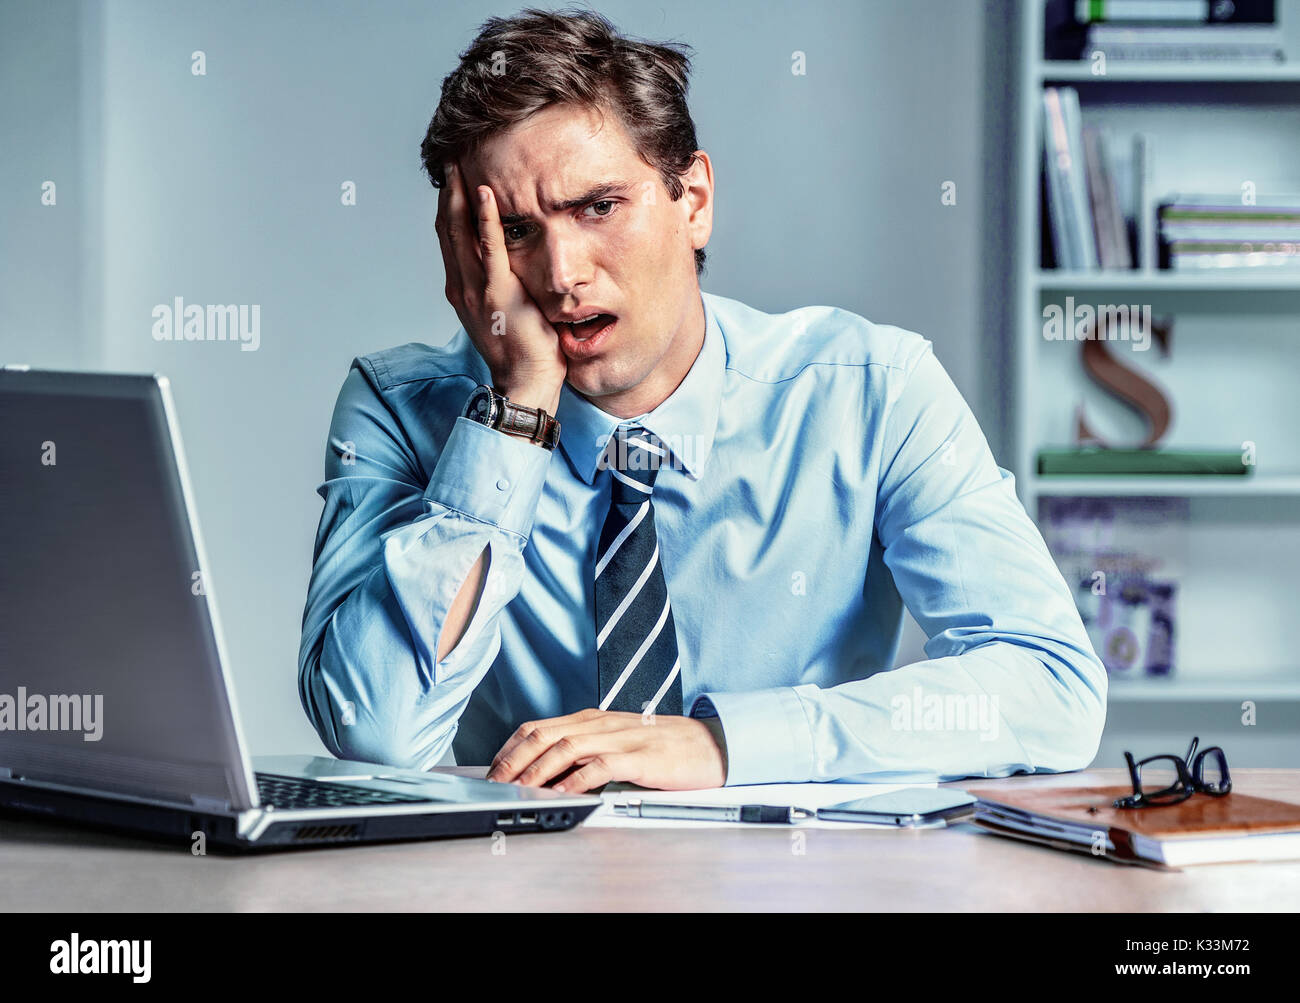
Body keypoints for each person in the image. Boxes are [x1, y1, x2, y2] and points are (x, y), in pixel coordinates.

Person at [298, 8, 1106, 793]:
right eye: (514, 230)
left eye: (598, 207)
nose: (560, 274)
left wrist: (725, 744)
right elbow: (376, 733)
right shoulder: (399, 408)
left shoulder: (872, 392)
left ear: (693, 201)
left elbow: (1052, 684)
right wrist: (515, 411)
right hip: (520, 879)